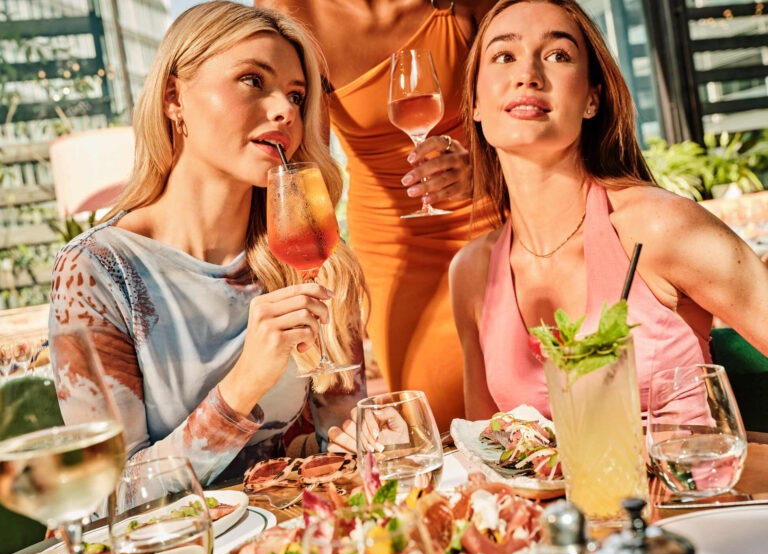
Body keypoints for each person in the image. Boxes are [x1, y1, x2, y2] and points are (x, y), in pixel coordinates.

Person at [48, 1, 367, 485]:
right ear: (175, 97)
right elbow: (107, 498)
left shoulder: (306, 253)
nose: (284, 109)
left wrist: (355, 436)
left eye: (297, 97)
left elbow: (331, 431)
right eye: (253, 80)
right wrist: (243, 385)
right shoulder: (96, 270)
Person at [450, 0, 768, 421]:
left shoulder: (658, 227)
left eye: (558, 55)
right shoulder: (472, 271)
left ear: (591, 100)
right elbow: (488, 453)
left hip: (693, 485)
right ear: (474, 103)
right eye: (504, 56)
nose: (527, 74)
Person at [256, 0, 497, 432]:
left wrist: (486, 171)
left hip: (489, 210)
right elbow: (306, 163)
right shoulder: (291, 9)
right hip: (394, 246)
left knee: (525, 397)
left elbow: (522, 103)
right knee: (439, 417)